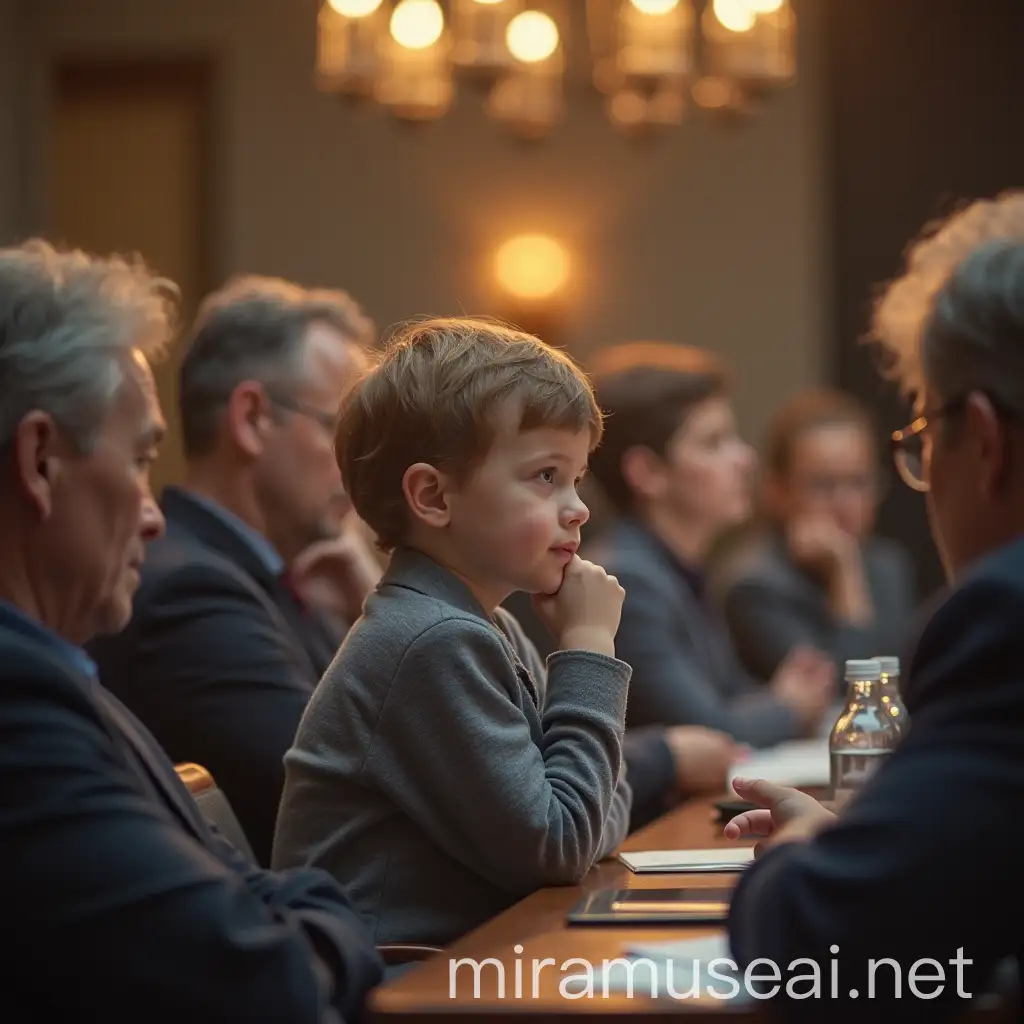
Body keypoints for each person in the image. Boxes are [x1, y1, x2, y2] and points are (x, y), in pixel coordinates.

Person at [0, 239, 381, 1020]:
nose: (151, 513)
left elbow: (255, 890)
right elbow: (265, 978)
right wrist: (325, 915)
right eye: (141, 460)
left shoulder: (58, 671)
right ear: (39, 461)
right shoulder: (18, 699)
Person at [725, 192, 1024, 1021]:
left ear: (988, 445)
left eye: (926, 437)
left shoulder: (1004, 617)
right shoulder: (760, 580)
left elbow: (818, 943)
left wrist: (801, 847)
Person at [273, 317, 634, 946]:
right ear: (434, 497)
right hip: (392, 985)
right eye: (546, 475)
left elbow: (602, 804)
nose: (577, 506)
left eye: (576, 477)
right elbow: (561, 843)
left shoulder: (482, 625)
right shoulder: (431, 640)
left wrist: (581, 820)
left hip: (461, 961)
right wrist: (588, 647)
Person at [88, 275, 376, 865]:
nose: (364, 463)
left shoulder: (279, 575)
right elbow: (358, 807)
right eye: (342, 431)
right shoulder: (193, 592)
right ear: (252, 418)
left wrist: (372, 607)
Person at [585, 342, 834, 746]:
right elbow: (706, 732)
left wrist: (782, 697)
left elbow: (730, 697)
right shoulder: (626, 579)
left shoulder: (677, 567)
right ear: (647, 471)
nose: (745, 458)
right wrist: (788, 706)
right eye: (714, 442)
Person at [720, 389, 916, 681]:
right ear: (777, 491)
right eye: (823, 485)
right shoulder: (753, 586)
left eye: (860, 483)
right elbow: (843, 698)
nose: (846, 504)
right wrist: (845, 576)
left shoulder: (888, 564)